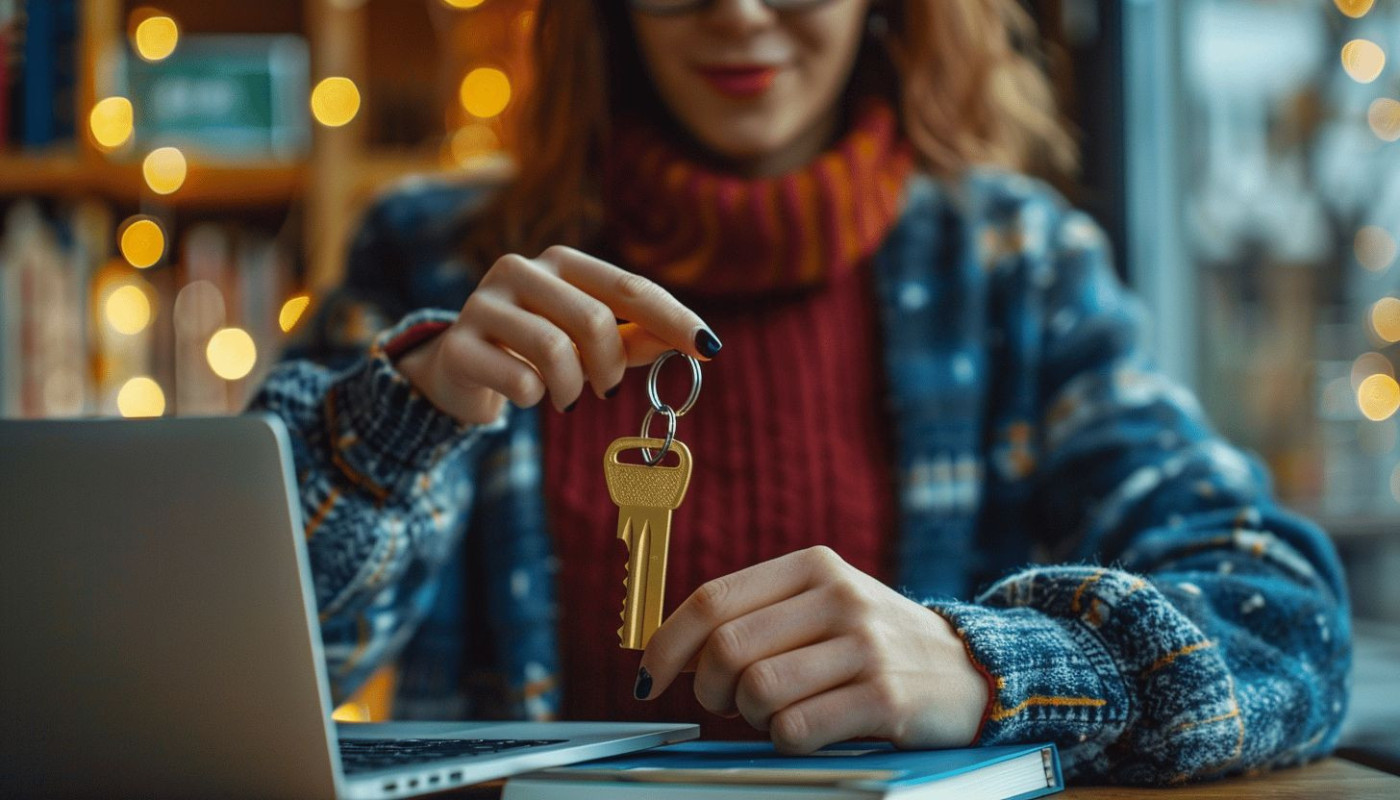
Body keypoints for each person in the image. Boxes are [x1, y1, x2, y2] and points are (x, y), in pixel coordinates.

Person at [250, 0, 1351, 785]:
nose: (736, 15)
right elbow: (247, 662)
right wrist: (394, 428)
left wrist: (991, 666)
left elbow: (1284, 618)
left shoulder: (1014, 263)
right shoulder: (434, 255)